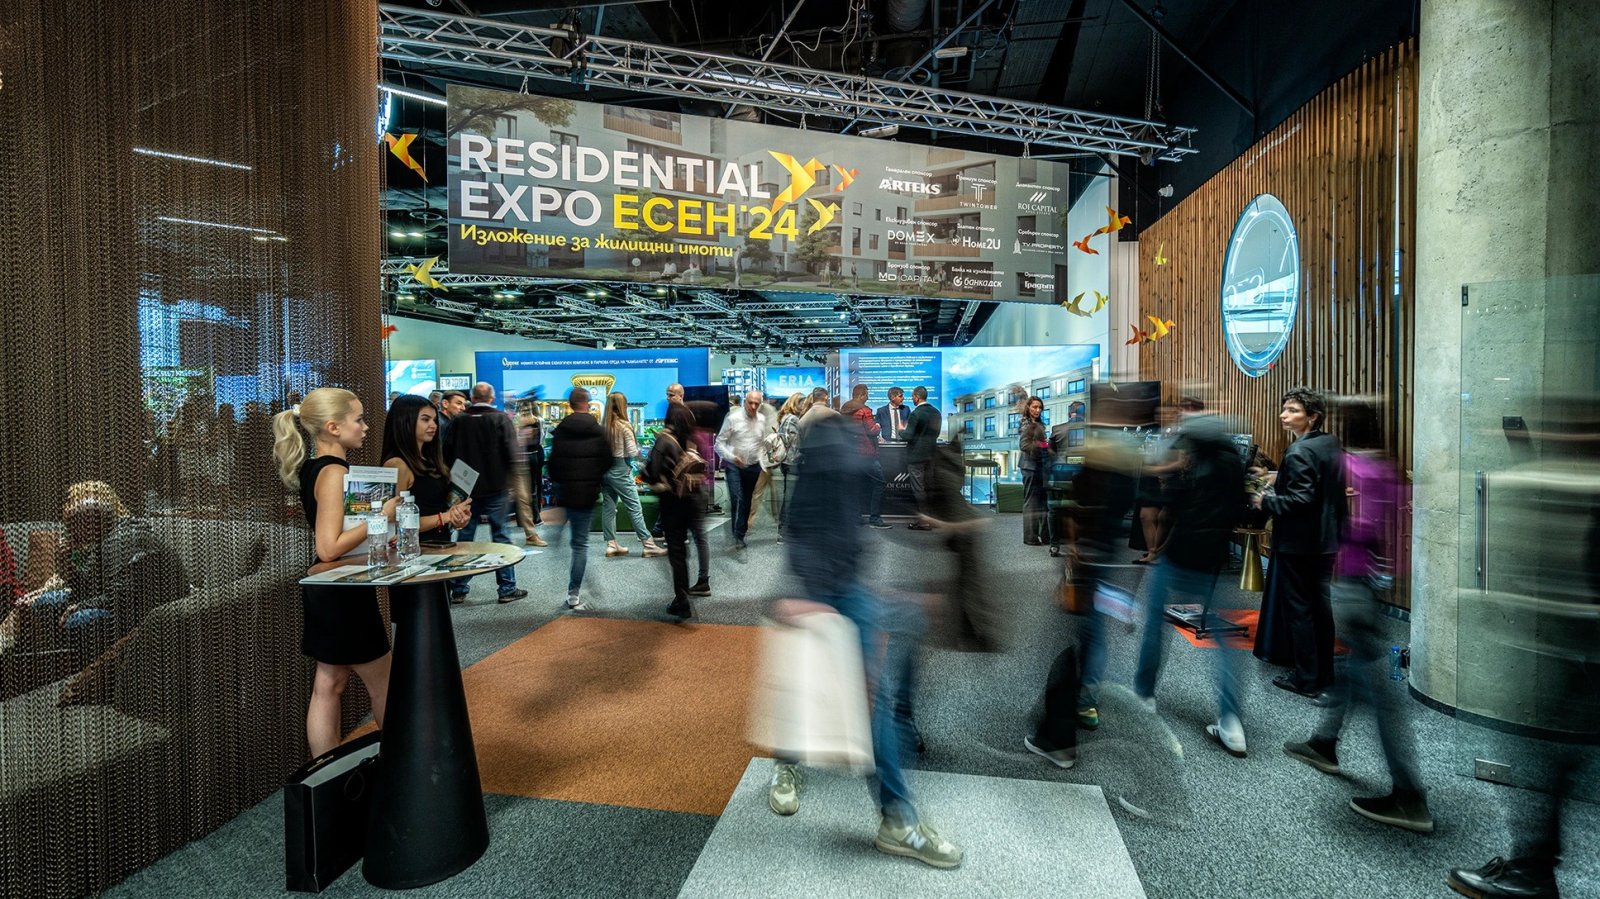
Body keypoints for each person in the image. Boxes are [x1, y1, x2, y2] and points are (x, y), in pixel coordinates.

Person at [781, 406, 959, 868]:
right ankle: (891, 815)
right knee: (847, 696)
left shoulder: (835, 460)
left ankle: (894, 804)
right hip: (824, 593)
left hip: (846, 588)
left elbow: (842, 537)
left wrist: (878, 598)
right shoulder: (826, 465)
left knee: (879, 679)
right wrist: (814, 600)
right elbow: (802, 535)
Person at [1281, 398, 1433, 833]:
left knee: (1379, 694)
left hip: (1353, 578)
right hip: (1371, 578)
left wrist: (1334, 510)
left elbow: (1358, 524)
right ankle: (1324, 742)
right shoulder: (1385, 466)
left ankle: (1408, 793)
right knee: (1351, 671)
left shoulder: (1352, 467)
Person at [271, 388, 394, 758]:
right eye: (359, 419)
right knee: (383, 683)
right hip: (342, 592)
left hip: (330, 588)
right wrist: (381, 517)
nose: (366, 427)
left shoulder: (316, 468)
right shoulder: (334, 472)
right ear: (333, 427)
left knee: (329, 683)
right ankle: (403, 770)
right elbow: (328, 546)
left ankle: (327, 776)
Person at [1132, 395, 1250, 758]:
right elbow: (1241, 506)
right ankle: (1231, 721)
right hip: (1213, 556)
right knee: (1223, 641)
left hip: (1179, 552)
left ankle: (1144, 695)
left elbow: (1171, 505)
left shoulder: (1192, 461)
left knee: (1155, 625)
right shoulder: (1233, 460)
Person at [0, 481, 189, 662]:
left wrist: (81, 605)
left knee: (76, 620)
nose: (69, 533)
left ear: (91, 522)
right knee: (46, 602)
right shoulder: (104, 539)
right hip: (114, 597)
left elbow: (122, 596)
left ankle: (96, 668)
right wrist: (67, 565)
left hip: (144, 608)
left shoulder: (119, 541)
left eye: (73, 526)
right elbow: (87, 585)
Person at [1252, 387, 1346, 697]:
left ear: (1313, 417)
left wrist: (1266, 501)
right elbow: (1318, 486)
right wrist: (1278, 477)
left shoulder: (1298, 451)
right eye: (1284, 408)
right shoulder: (1329, 443)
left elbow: (1302, 499)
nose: (1283, 415)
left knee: (1301, 611)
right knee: (1320, 608)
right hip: (1326, 540)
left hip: (1299, 543)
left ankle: (1306, 679)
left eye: (1292, 410)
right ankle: (1323, 673)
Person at [445, 383, 527, 604]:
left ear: (472, 398)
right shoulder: (501, 419)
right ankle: (507, 588)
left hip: (465, 489)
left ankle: (458, 589)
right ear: (491, 399)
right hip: (496, 488)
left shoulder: (459, 421)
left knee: (464, 538)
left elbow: (447, 451)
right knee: (501, 537)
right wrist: (513, 483)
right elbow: (512, 454)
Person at [547, 387, 613, 611]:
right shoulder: (598, 431)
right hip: (587, 494)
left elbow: (552, 465)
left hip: (566, 492)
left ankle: (555, 539)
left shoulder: (561, 430)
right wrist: (594, 479)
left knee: (572, 540)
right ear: (588, 403)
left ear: (570, 404)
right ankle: (574, 592)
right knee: (581, 544)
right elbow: (607, 461)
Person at [379, 396, 473, 547]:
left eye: (434, 420)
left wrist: (457, 518)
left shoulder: (432, 459)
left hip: (441, 544)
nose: (433, 425)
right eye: (425, 419)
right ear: (405, 421)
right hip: (415, 550)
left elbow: (439, 508)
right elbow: (395, 521)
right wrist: (445, 517)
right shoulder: (397, 464)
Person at [644, 402, 702, 618]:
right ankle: (685, 593)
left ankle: (682, 599)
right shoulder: (691, 439)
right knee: (684, 550)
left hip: (672, 501)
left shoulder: (664, 440)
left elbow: (652, 471)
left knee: (676, 552)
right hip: (692, 499)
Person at [599, 391, 667, 558]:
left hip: (605, 469)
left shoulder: (603, 426)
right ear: (623, 406)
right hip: (621, 469)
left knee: (608, 507)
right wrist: (642, 451)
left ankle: (611, 545)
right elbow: (631, 451)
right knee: (635, 508)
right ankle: (648, 545)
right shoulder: (624, 425)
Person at [715, 390, 771, 550]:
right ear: (745, 401)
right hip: (734, 464)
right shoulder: (733, 418)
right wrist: (732, 457)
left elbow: (761, 442)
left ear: (760, 404)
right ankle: (736, 535)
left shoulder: (762, 419)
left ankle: (740, 534)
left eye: (756, 404)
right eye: (750, 402)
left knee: (746, 501)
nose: (753, 406)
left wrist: (764, 459)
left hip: (753, 465)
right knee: (737, 499)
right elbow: (719, 443)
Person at [840, 384, 890, 529]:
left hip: (850, 453)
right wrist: (878, 425)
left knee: (855, 486)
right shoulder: (864, 410)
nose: (867, 397)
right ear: (861, 395)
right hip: (866, 453)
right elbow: (872, 431)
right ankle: (875, 518)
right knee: (880, 483)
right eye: (866, 394)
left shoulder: (844, 409)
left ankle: (855, 517)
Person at [902, 386, 941, 530]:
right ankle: (932, 519)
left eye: (912, 396)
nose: (912, 399)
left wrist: (901, 430)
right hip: (931, 455)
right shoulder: (936, 412)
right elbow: (936, 434)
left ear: (917, 396)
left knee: (919, 490)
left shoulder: (916, 413)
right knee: (929, 487)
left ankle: (924, 521)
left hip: (916, 457)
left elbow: (908, 436)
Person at [513, 403, 548, 547]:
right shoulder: (536, 421)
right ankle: (534, 522)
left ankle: (529, 529)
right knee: (530, 491)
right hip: (527, 457)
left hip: (521, 458)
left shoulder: (520, 421)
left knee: (524, 495)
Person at [1018, 395, 1050, 545]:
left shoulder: (1039, 424)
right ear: (1028, 407)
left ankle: (1045, 536)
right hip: (1029, 467)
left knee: (1043, 502)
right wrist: (1043, 446)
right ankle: (1030, 538)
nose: (1038, 410)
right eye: (1035, 407)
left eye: (1040, 407)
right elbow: (1024, 445)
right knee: (1031, 502)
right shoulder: (1026, 424)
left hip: (1040, 467)